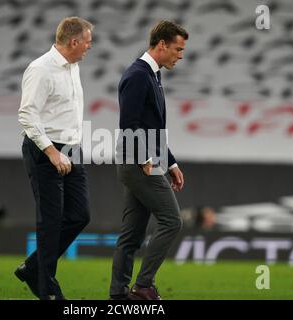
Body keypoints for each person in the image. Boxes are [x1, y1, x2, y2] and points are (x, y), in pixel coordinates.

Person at [110, 20, 188, 300]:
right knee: (172, 220)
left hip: (142, 160)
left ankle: (118, 297)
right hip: (138, 162)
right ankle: (143, 286)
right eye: (178, 49)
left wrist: (172, 163)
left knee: (131, 235)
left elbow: (153, 128)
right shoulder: (138, 76)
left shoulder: (152, 75)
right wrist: (145, 157)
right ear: (162, 44)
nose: (180, 55)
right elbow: (129, 123)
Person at [15, 17, 93, 300]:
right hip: (45, 149)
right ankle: (47, 289)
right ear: (73, 42)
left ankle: (33, 267)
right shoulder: (40, 69)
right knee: (50, 220)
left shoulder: (73, 66)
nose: (89, 47)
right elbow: (27, 114)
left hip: (72, 149)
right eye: (87, 42)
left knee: (79, 216)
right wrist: (50, 150)